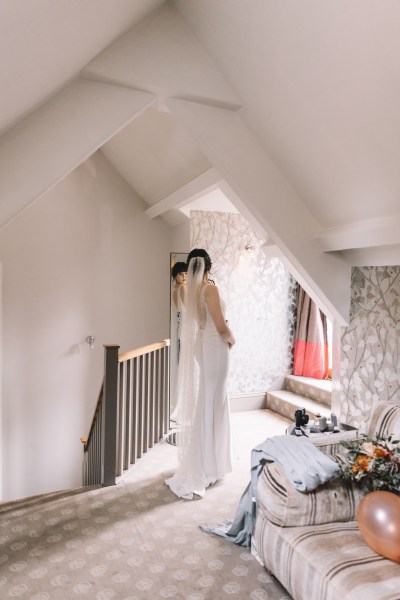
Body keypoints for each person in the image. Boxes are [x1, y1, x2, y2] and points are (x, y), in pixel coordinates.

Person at [165, 248, 236, 499]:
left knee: (209, 400)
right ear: (207, 267)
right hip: (216, 346)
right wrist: (232, 339)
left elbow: (193, 316)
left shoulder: (188, 291)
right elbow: (220, 325)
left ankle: (209, 461)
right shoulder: (210, 290)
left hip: (203, 347)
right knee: (216, 401)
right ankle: (210, 465)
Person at [169, 262, 187, 424]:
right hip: (186, 333)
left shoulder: (175, 290)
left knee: (181, 368)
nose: (184, 277)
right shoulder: (182, 289)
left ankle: (180, 404)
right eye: (181, 274)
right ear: (175, 276)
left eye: (186, 274)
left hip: (181, 332)